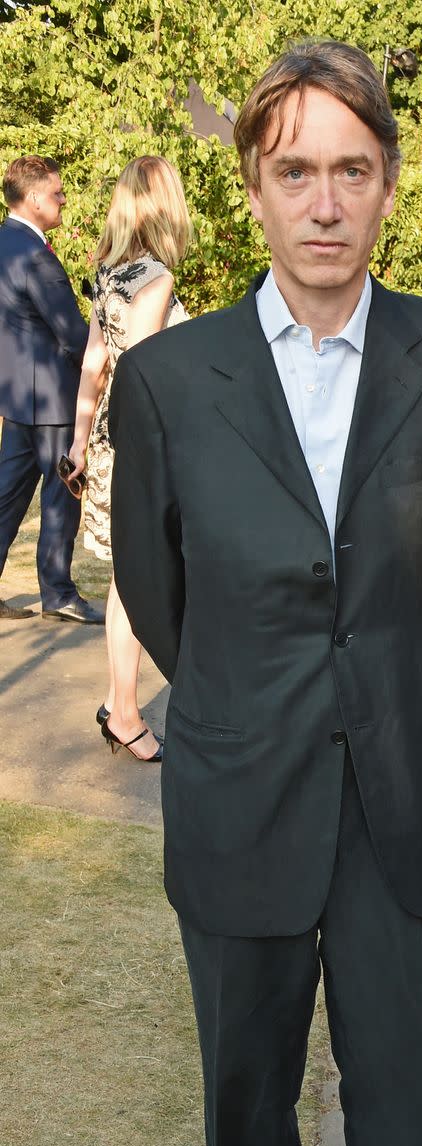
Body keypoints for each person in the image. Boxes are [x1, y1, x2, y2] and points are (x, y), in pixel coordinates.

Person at [109, 40, 422, 1146]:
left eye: (352, 170)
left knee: (407, 1071)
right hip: (241, 785)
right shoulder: (168, 380)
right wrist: (254, 701)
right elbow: (163, 599)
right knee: (246, 1077)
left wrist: (383, 691)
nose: (325, 202)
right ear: (255, 191)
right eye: (296, 173)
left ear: (389, 186)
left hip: (402, 783)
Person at [66, 155, 191, 762]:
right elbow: (141, 371)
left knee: (126, 581)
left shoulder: (110, 272)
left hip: (109, 444)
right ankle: (124, 710)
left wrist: (76, 441)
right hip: (140, 447)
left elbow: (96, 361)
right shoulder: (155, 278)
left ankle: (123, 708)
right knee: (138, 582)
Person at [0, 155, 101, 623]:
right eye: (57, 193)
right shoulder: (37, 258)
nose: (63, 199)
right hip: (55, 401)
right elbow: (73, 335)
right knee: (63, 495)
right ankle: (57, 593)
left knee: (7, 495)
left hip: (16, 397)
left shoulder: (3, 244)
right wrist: (102, 373)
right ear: (35, 197)